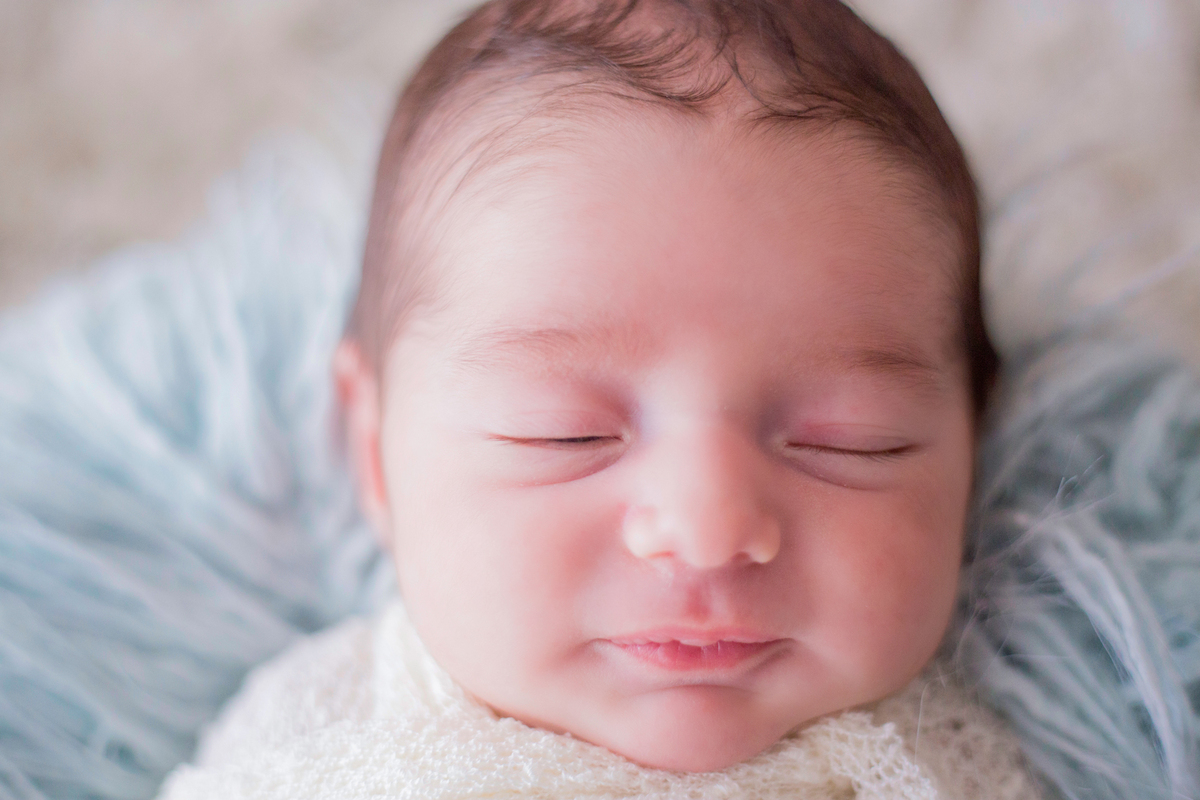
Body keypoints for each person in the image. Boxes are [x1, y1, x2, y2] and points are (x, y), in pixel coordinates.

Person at [158, 0, 1041, 796]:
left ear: (974, 442)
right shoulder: (328, 734)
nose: (708, 531)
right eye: (564, 436)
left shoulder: (973, 755)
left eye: (850, 441)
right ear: (373, 454)